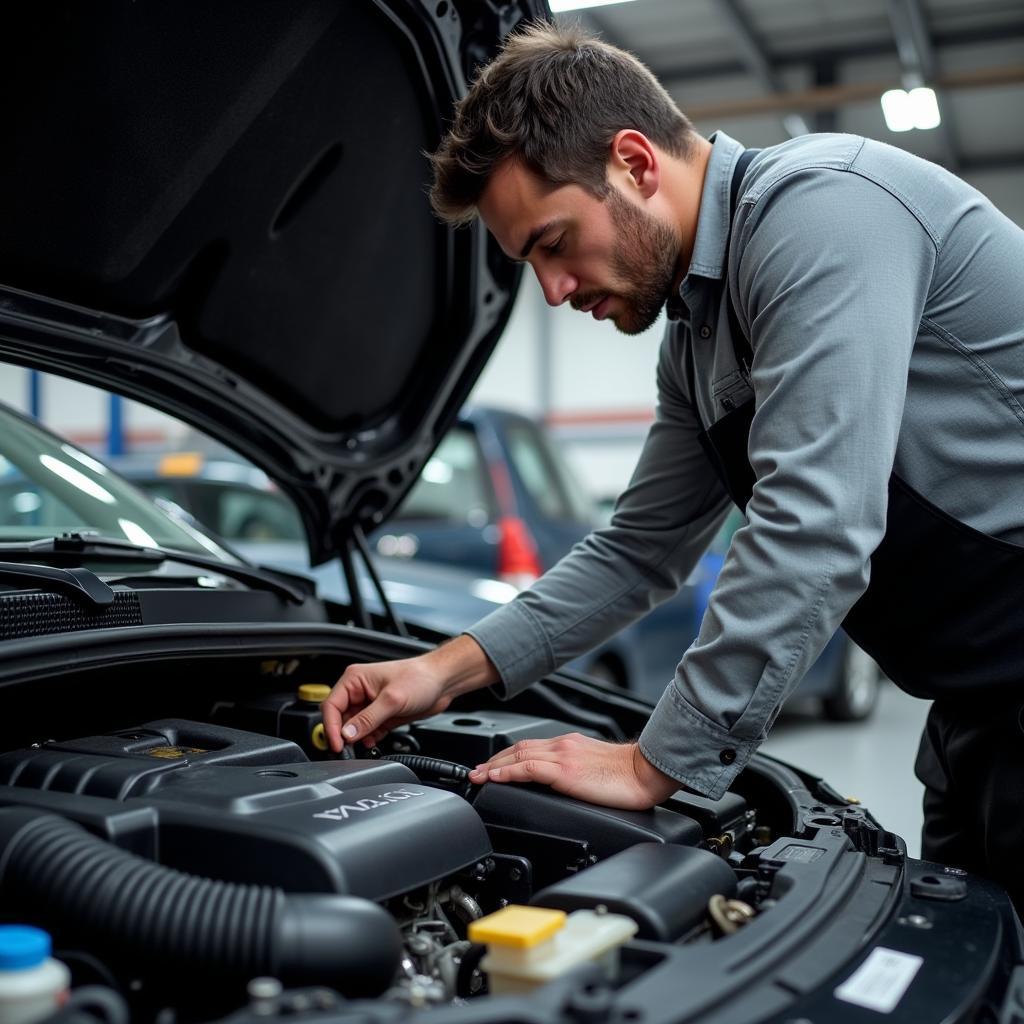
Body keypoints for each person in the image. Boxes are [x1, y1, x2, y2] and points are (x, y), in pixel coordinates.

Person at [323, 22, 1024, 903]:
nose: (552, 290)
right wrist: (442, 669)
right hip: (976, 712)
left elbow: (817, 526)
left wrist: (659, 763)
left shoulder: (822, 214)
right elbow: (638, 551)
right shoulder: (696, 341)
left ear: (634, 163)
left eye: (550, 242)